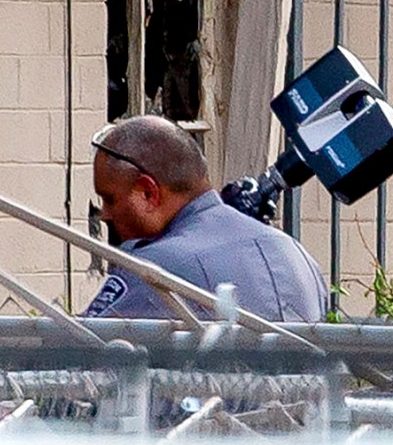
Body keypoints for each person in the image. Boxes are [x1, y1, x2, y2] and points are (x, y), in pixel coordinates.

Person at [83, 114, 326, 321]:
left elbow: (76, 360)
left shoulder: (154, 270)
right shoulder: (297, 254)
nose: (104, 215)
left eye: (110, 199)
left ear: (149, 193)